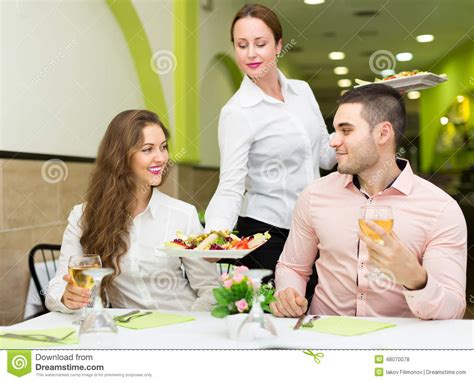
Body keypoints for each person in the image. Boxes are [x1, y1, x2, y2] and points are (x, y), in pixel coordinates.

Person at [271, 84, 467, 320]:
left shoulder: (441, 209)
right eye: (335, 131)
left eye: (346, 130)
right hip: (323, 341)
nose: (333, 142)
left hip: (398, 346)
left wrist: (415, 278)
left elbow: (453, 310)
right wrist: (288, 292)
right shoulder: (314, 196)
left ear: (383, 133)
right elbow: (292, 268)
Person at [204, 4, 336, 296]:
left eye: (260, 44)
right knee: (277, 322)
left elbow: (326, 156)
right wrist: (214, 237)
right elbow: (230, 185)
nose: (251, 53)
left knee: (316, 313)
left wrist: (367, 122)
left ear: (278, 45)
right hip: (266, 233)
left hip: (314, 231)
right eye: (242, 45)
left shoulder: (302, 91)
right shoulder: (237, 112)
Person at [46, 110, 219, 313]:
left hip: (182, 324)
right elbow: (58, 287)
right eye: (148, 149)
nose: (161, 158)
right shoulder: (84, 216)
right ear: (120, 157)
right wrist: (68, 298)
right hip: (127, 333)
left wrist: (188, 327)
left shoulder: (182, 214)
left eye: (163, 148)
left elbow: (210, 290)